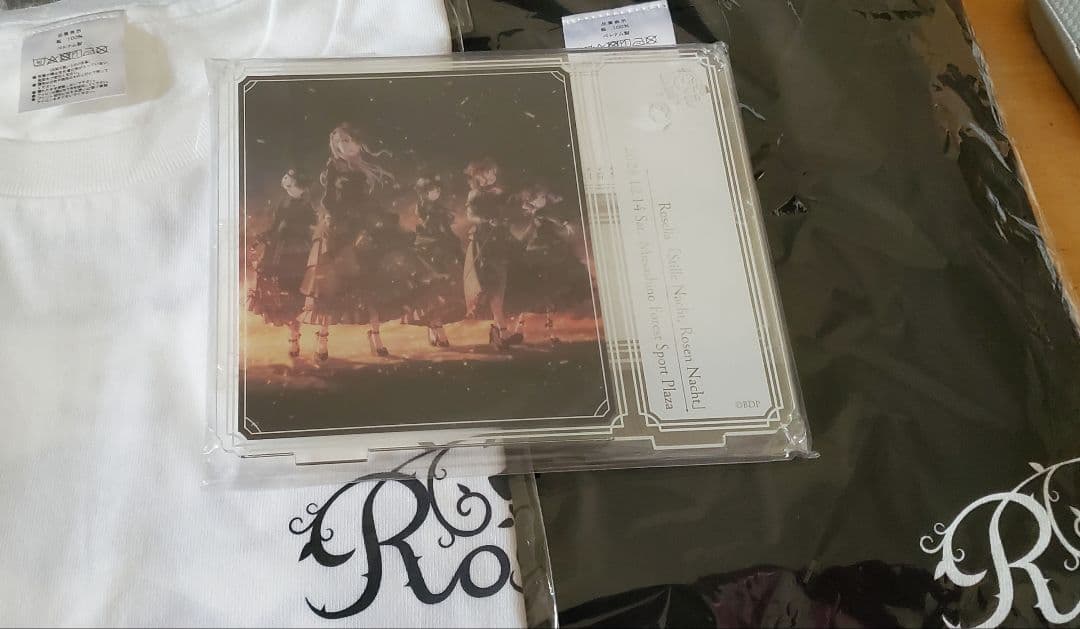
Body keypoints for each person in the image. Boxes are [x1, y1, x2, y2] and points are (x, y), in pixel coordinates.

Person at [300, 123, 406, 359]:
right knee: (331, 285)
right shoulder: (334, 166)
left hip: (366, 225)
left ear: (359, 142)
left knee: (371, 283)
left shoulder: (365, 166)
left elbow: (371, 199)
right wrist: (332, 219)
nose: (345, 146)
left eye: (349, 140)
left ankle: (376, 336)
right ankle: (322, 338)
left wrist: (374, 219)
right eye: (340, 141)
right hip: (341, 226)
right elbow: (328, 198)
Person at [503, 183, 593, 345]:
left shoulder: (539, 213)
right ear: (533, 200)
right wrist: (563, 223)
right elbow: (539, 224)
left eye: (543, 197)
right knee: (541, 295)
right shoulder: (538, 214)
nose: (543, 199)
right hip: (541, 256)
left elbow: (540, 224)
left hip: (546, 255)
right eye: (540, 197)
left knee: (543, 296)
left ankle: (531, 331)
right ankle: (532, 331)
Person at [247, 169, 316, 357]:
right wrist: (261, 238)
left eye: (292, 184)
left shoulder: (307, 205)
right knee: (282, 293)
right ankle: (293, 334)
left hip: (300, 253)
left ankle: (295, 335)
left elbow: (312, 226)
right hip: (280, 253)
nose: (288, 187)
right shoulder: (283, 203)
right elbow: (275, 227)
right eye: (287, 184)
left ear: (301, 187)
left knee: (297, 294)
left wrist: (294, 230)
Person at [461, 158, 517, 350]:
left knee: (501, 286)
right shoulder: (474, 194)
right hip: (484, 243)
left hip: (501, 241)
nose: (491, 176)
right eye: (487, 173)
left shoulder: (500, 193)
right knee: (493, 287)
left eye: (493, 172)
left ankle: (499, 330)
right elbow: (470, 216)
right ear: (478, 176)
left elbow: (509, 212)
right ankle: (502, 331)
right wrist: (487, 220)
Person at [408, 175, 466, 347]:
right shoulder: (423, 208)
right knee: (435, 289)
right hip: (429, 250)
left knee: (446, 290)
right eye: (432, 190)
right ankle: (436, 327)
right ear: (424, 192)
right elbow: (428, 225)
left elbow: (447, 229)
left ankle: (435, 325)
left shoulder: (439, 208)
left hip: (443, 249)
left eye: (437, 190)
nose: (436, 193)